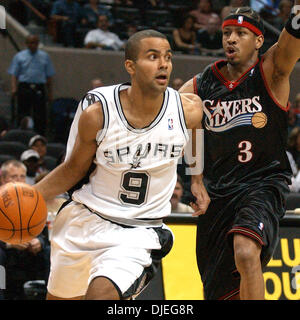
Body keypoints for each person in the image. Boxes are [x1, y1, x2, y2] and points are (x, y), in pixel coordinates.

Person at [34, 29, 210, 300]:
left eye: (168, 57)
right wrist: (30, 198)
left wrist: (196, 178)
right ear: (130, 66)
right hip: (85, 219)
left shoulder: (187, 109)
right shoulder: (98, 114)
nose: (163, 64)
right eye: (153, 57)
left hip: (138, 232)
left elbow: (197, 128)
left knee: (101, 296)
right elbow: (73, 169)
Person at [179, 4, 299, 300]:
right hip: (218, 193)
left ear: (259, 40)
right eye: (227, 33)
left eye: (241, 33)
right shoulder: (200, 84)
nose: (231, 39)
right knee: (218, 290)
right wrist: (196, 180)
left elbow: (292, 39)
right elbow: (187, 130)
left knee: (246, 252)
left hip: (261, 184)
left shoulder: (271, 71)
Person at [0, 159, 50, 300]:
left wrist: (39, 241)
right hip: (5, 250)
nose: (19, 180)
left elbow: (44, 231)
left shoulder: (33, 198)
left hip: (29, 250)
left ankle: (51, 295)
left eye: (22, 176)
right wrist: (8, 243)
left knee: (50, 250)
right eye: (14, 176)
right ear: (3, 179)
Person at [7, 35, 55, 136]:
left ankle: (40, 136)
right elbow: (14, 74)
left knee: (40, 114)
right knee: (23, 113)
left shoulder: (45, 56)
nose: (32, 45)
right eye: (30, 43)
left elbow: (49, 76)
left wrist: (50, 93)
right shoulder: (19, 56)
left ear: (38, 44)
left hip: (39, 88)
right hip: (24, 87)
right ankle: (22, 134)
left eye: (35, 43)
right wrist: (14, 88)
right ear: (26, 44)